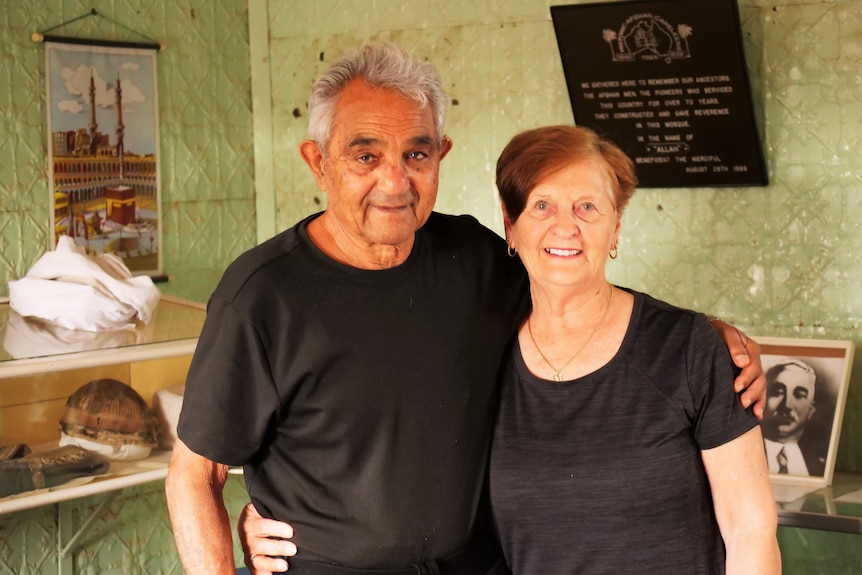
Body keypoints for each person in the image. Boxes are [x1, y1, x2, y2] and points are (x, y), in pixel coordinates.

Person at [167, 44, 766, 575]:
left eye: (417, 155)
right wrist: (234, 542)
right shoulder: (262, 297)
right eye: (365, 156)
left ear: (441, 156)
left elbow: (569, 284)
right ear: (317, 161)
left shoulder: (473, 258)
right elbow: (196, 476)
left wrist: (709, 338)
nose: (395, 182)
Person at [485, 125, 780, 574]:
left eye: (587, 207)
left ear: (616, 227)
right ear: (511, 223)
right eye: (542, 205)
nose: (565, 226)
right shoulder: (483, 356)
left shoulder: (688, 348)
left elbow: (750, 532)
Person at [762, 357, 825, 476]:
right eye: (777, 393)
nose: (787, 405)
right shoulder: (740, 458)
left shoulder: (820, 466)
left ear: (811, 411)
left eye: (799, 395)